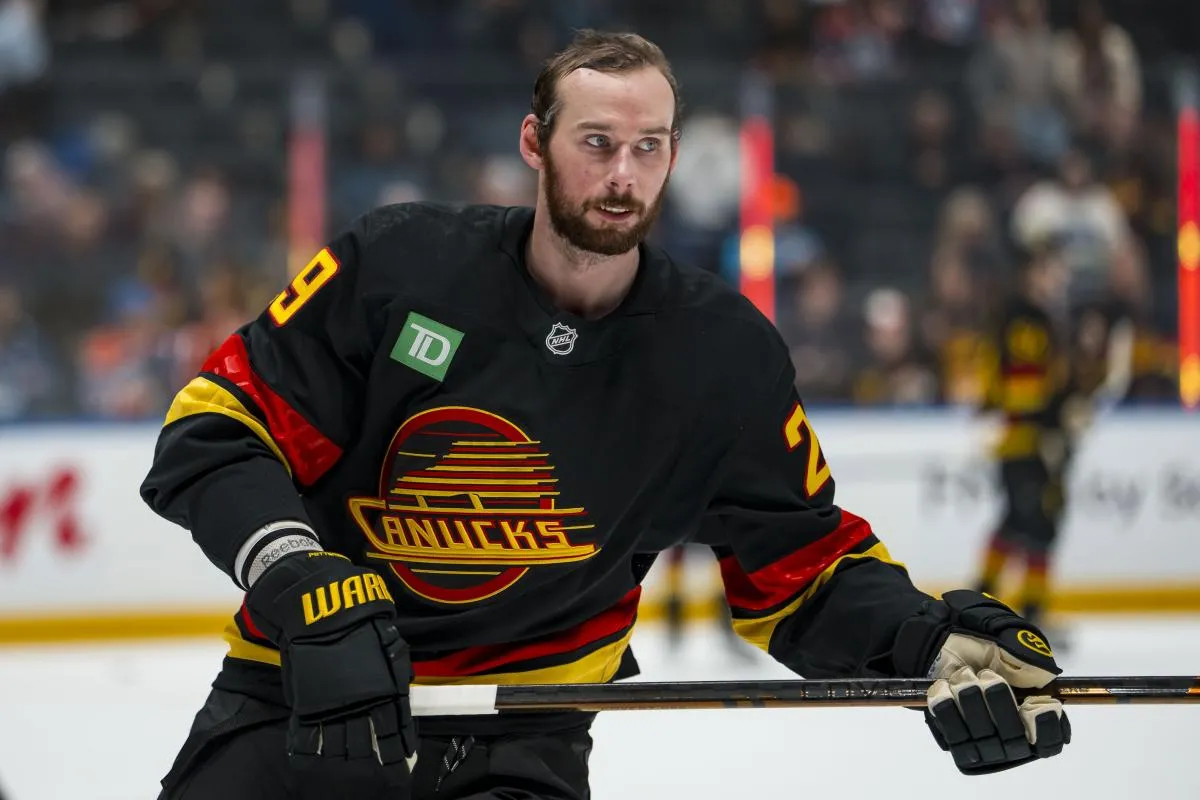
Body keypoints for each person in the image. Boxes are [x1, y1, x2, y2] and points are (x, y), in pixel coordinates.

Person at [140, 30, 1071, 800]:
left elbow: (803, 570)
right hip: (302, 695)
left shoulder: (720, 355)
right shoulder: (396, 269)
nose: (622, 175)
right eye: (595, 143)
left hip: (516, 744)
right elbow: (215, 433)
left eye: (649, 146)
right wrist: (297, 572)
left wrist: (932, 644)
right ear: (534, 144)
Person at [972, 236, 1098, 633]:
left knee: (1017, 520)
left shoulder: (1041, 316)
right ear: (1033, 273)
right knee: (1036, 522)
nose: (1061, 277)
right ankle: (1028, 611)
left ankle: (982, 600)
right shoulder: (1026, 319)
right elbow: (1022, 389)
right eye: (1052, 269)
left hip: (1028, 438)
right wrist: (1056, 421)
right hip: (1026, 441)